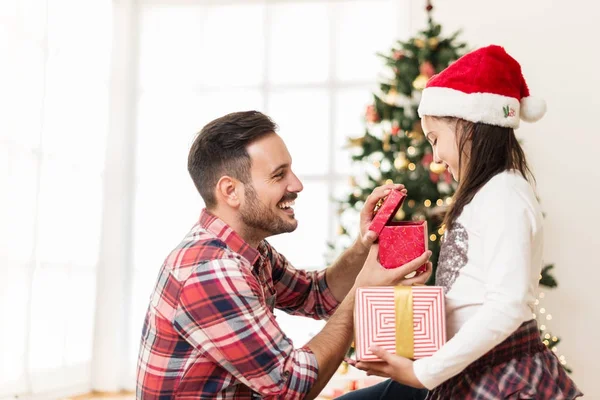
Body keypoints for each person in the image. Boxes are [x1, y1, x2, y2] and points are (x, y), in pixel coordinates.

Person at [135, 110, 432, 399]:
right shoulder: (212, 269)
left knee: (420, 386)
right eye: (279, 175)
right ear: (230, 191)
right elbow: (292, 388)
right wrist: (362, 295)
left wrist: (363, 245)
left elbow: (316, 295)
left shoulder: (247, 249)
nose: (297, 185)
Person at [350, 45, 583, 399]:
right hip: (469, 367)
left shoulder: (505, 194)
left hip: (501, 370)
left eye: (435, 139)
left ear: (468, 127)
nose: (438, 157)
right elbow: (471, 297)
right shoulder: (484, 195)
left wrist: (422, 372)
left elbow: (507, 305)